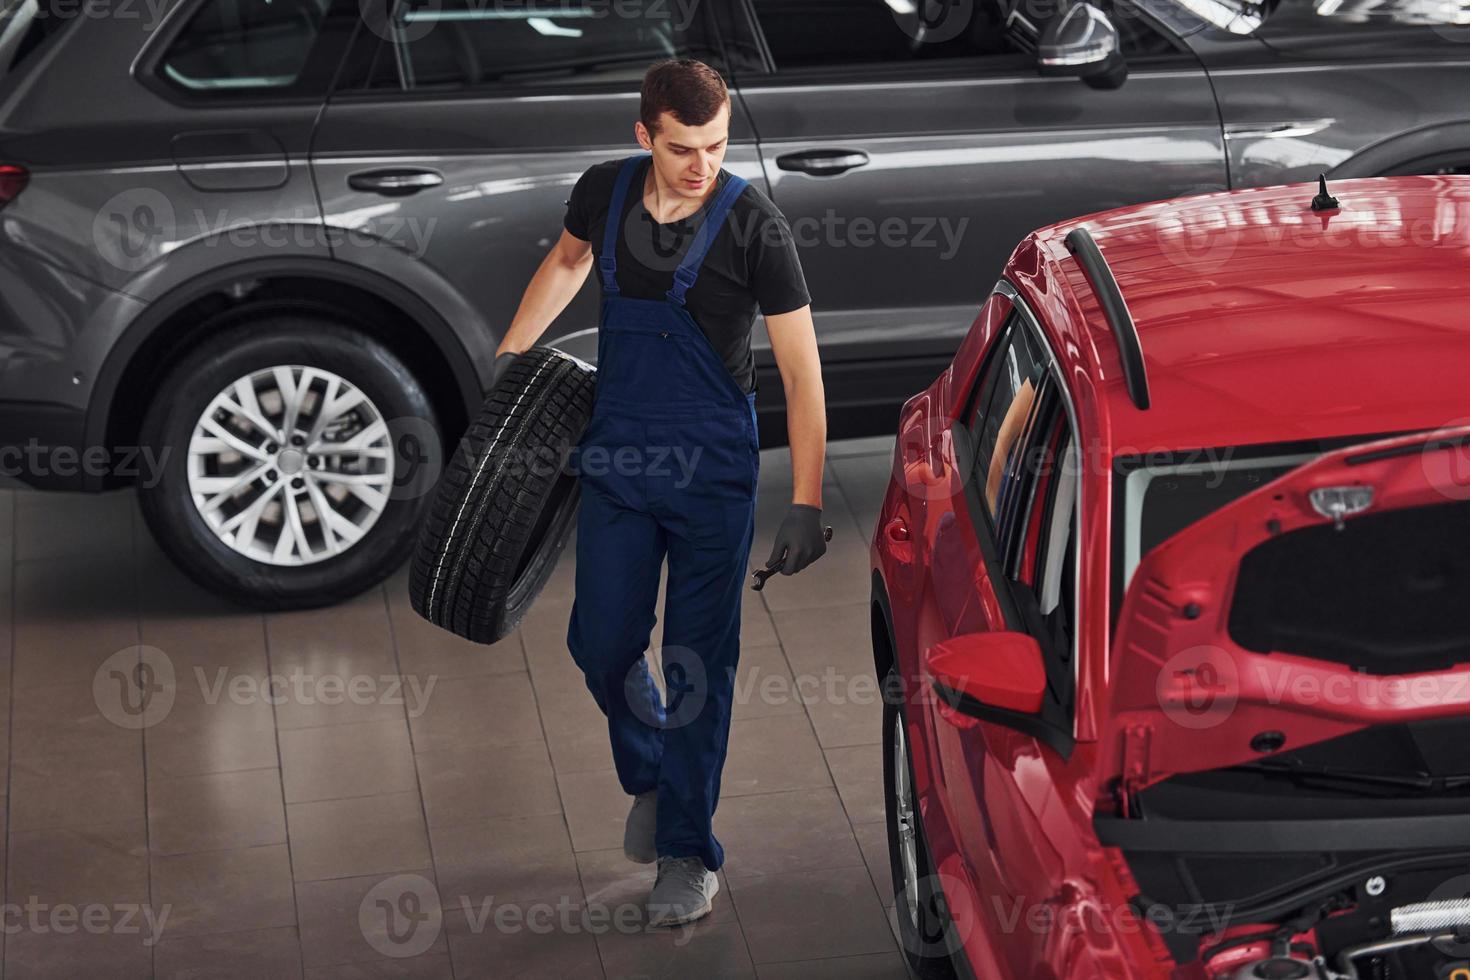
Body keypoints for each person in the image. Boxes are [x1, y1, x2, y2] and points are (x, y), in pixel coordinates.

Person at [492, 58, 828, 927]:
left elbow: (801, 372)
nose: (702, 165)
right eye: (683, 148)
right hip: (621, 461)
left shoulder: (755, 225)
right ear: (645, 136)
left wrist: (807, 499)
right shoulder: (604, 194)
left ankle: (687, 848)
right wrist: (508, 364)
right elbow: (567, 265)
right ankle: (651, 770)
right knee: (601, 644)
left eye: (716, 146)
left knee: (697, 667)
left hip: (714, 473)